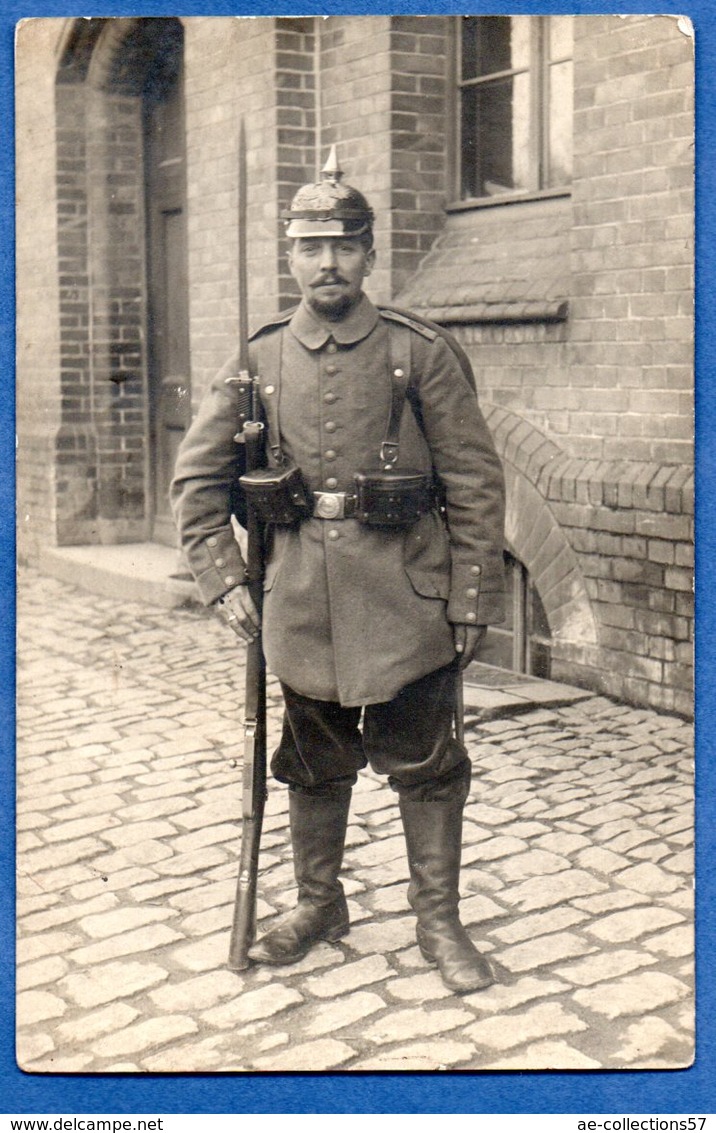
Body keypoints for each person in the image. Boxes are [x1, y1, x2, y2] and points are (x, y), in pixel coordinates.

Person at [171, 148, 506, 993]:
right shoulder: (258, 358)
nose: (328, 263)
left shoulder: (417, 351)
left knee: (427, 762)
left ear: (368, 254)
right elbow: (197, 479)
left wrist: (469, 600)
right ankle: (320, 902)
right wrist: (223, 579)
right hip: (299, 607)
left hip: (407, 599)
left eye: (345, 246)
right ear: (290, 255)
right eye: (311, 246)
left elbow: (473, 481)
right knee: (312, 761)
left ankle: (439, 922)